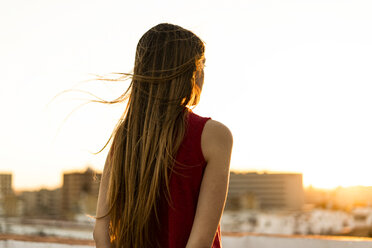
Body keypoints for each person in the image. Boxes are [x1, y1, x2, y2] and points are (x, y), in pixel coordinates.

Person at [93, 23, 233, 248]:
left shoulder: (124, 136)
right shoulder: (213, 135)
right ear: (192, 72)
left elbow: (101, 232)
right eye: (202, 64)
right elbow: (199, 243)